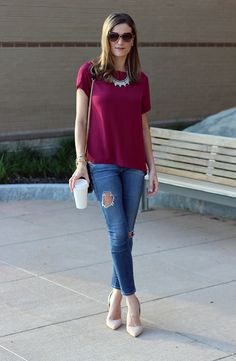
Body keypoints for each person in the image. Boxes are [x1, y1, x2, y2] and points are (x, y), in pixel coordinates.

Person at [69, 12, 159, 337]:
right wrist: (81, 163)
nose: (120, 42)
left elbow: (144, 125)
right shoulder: (90, 74)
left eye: (127, 36)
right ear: (105, 37)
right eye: (114, 36)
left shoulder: (141, 80)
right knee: (119, 232)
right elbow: (81, 122)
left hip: (134, 166)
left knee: (126, 235)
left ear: (134, 40)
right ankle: (133, 300)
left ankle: (114, 297)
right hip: (103, 164)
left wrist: (153, 167)